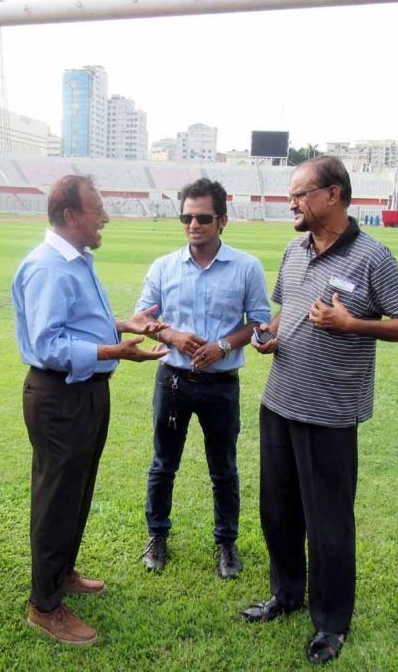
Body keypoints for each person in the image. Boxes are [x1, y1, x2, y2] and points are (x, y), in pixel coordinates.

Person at [241, 156, 398, 665]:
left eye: (300, 194)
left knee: (328, 522)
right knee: (277, 511)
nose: (292, 203)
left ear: (333, 195)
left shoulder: (372, 257)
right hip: (280, 401)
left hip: (329, 412)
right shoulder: (294, 249)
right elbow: (286, 309)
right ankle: (286, 594)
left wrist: (353, 325)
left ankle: (330, 622)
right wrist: (270, 335)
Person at [12, 174, 168, 646]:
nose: (104, 217)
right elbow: (49, 343)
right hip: (60, 395)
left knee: (76, 492)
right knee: (57, 498)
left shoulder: (76, 261)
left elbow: (77, 322)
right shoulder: (49, 268)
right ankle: (45, 607)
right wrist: (113, 351)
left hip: (84, 394)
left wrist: (122, 323)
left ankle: (61, 574)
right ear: (70, 216)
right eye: (97, 209)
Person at [135, 178, 270, 577]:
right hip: (173, 381)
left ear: (223, 220)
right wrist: (172, 335)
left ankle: (227, 544)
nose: (194, 225)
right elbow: (143, 319)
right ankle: (157, 535)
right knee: (163, 463)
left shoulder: (246, 267)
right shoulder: (164, 267)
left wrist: (223, 347)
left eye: (204, 218)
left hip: (221, 385)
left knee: (224, 468)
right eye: (187, 217)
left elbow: (259, 323)